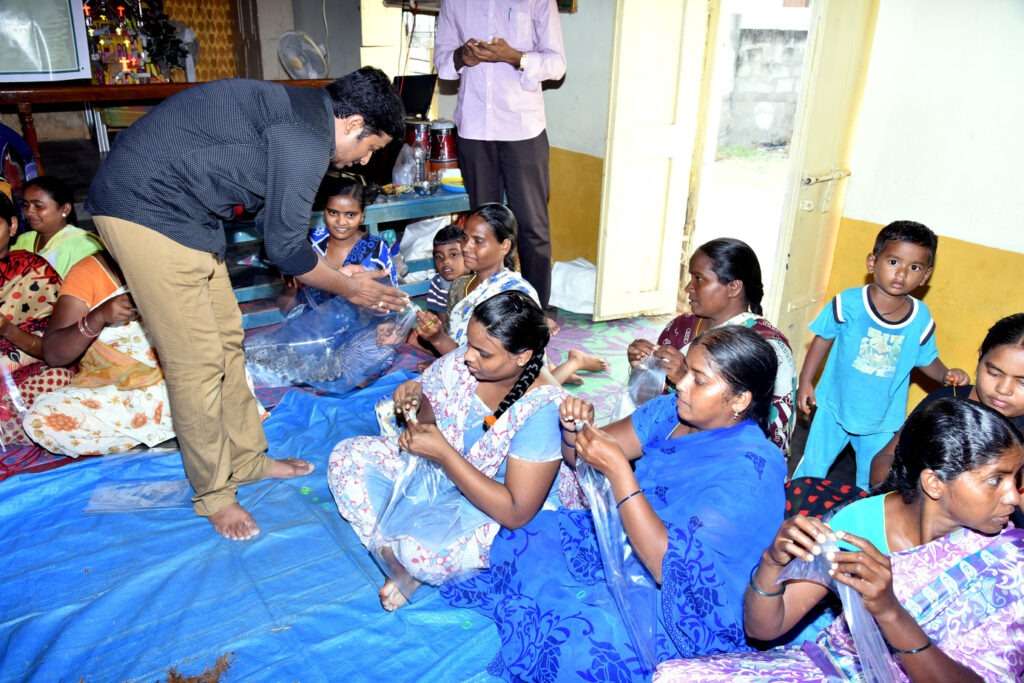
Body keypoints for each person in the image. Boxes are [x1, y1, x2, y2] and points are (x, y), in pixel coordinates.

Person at [86, 68, 407, 541]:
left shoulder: (303, 117)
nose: (364, 159)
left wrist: (339, 273)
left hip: (186, 213)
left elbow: (283, 230)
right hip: (144, 207)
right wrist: (348, 287)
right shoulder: (305, 140)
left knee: (226, 342)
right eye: (372, 146)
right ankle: (214, 494)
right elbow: (285, 249)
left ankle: (248, 459)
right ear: (354, 122)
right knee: (195, 362)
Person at [442, 326, 788, 681]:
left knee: (583, 644)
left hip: (682, 597)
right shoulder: (670, 413)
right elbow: (584, 458)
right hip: (628, 534)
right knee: (526, 534)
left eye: (699, 380)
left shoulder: (751, 471)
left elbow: (671, 572)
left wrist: (621, 474)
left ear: (739, 400)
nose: (681, 384)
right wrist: (576, 430)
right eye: (686, 371)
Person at [656, 398, 1024, 682]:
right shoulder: (858, 524)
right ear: (933, 483)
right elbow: (764, 629)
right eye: (997, 480)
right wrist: (771, 564)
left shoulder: (1009, 561)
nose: (1015, 496)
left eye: (1016, 478)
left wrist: (889, 611)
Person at [327, 291, 563, 611]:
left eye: (483, 353)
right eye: (468, 344)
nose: (468, 357)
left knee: (424, 554)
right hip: (444, 476)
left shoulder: (542, 409)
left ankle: (407, 558)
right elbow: (430, 424)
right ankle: (395, 561)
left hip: (495, 508)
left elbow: (516, 512)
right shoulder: (463, 364)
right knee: (347, 458)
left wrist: (445, 456)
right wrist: (417, 402)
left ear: (522, 356)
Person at [793, 221, 970, 489]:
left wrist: (946, 374)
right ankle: (795, 507)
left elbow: (926, 359)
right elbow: (823, 339)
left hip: (883, 419)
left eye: (914, 267)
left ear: (925, 276)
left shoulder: (920, 319)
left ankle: (859, 522)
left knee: (873, 479)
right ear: (872, 262)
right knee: (813, 468)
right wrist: (806, 382)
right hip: (835, 406)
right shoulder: (849, 303)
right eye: (893, 262)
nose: (901, 274)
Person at [434, 0, 566, 309]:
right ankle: (491, 308)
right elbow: (442, 62)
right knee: (482, 230)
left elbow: (557, 65)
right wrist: (462, 56)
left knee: (532, 227)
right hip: (474, 129)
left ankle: (534, 312)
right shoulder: (455, 3)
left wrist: (515, 57)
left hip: (523, 128)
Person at [628, 238, 796, 452]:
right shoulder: (680, 328)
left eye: (699, 278)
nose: (689, 287)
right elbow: (649, 402)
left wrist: (683, 377)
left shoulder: (767, 347)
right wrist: (643, 368)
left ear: (733, 287)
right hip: (663, 438)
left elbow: (769, 435)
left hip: (724, 459)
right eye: (691, 277)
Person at [414, 203, 604, 382]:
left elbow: (493, 363)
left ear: (504, 246)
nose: (466, 247)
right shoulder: (459, 285)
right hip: (466, 364)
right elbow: (457, 340)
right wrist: (437, 343)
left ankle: (574, 362)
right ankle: (555, 371)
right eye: (465, 238)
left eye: (478, 241)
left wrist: (438, 340)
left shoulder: (515, 293)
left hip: (501, 376)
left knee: (524, 397)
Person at [21, 253, 174, 456]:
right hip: (114, 397)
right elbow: (55, 355)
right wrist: (98, 316)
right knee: (41, 418)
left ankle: (154, 437)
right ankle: (154, 439)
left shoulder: (171, 259)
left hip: (170, 387)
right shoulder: (87, 272)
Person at [870, 312, 1024, 487]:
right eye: (994, 373)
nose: (1003, 389)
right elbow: (885, 459)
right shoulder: (946, 401)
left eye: (1023, 382)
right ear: (980, 357)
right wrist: (911, 499)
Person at [0, 192, 73, 446]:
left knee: (59, 378)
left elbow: (54, 350)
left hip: (25, 377)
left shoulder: (34, 271)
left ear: (12, 226)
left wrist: (7, 329)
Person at [277, 176, 397, 313]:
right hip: (311, 327)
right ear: (324, 212)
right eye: (333, 213)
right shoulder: (309, 243)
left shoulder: (375, 250)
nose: (341, 222)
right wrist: (291, 287)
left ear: (362, 216)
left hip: (360, 330)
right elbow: (285, 307)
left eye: (350, 215)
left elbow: (389, 305)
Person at [11, 176, 102, 277]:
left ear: (65, 209)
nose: (29, 212)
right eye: (26, 205)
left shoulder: (84, 244)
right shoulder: (24, 240)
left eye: (38, 206)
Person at [424, 224, 466, 323]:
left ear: (467, 253)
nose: (446, 261)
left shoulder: (478, 280)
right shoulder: (438, 283)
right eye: (439, 256)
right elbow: (444, 322)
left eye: (453, 254)